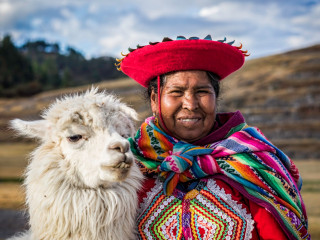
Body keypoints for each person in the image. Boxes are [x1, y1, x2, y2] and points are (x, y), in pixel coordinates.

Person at [116, 35, 310, 240]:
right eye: (176, 92)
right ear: (155, 100)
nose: (190, 104)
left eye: (202, 91)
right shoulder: (126, 166)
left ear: (215, 98)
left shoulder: (254, 164)